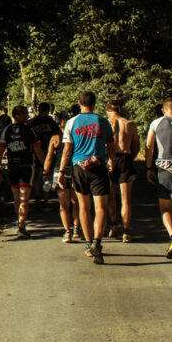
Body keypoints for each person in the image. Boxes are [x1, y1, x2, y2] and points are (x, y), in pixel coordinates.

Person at [59, 91, 115, 264]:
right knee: (101, 208)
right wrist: (111, 161)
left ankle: (89, 243)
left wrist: (61, 171)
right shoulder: (103, 121)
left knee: (83, 207)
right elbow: (111, 145)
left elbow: (67, 150)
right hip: (98, 167)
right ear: (94, 103)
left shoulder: (71, 122)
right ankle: (97, 242)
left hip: (78, 168)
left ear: (79, 102)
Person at [145, 97, 172, 261]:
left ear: (164, 110)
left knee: (165, 207)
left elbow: (149, 147)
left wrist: (149, 168)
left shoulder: (156, 123)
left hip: (164, 167)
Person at [0, 105, 45, 237]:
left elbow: (0, 150)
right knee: (23, 199)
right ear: (17, 115)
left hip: (13, 166)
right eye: (24, 114)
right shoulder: (29, 130)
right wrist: (46, 165)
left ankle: (20, 224)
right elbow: (38, 149)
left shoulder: (7, 130)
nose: (27, 116)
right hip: (25, 166)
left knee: (18, 199)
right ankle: (21, 227)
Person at [105, 100, 140, 242]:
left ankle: (113, 225)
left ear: (108, 110)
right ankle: (126, 231)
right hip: (125, 158)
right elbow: (136, 146)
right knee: (126, 198)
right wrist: (130, 157)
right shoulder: (129, 124)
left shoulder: (106, 123)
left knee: (110, 195)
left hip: (110, 159)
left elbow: (104, 143)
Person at [43, 128, 77, 242]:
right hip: (75, 170)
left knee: (64, 204)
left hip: (59, 171)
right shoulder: (76, 135)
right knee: (76, 202)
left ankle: (67, 231)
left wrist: (45, 172)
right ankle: (77, 228)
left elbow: (49, 156)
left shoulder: (55, 138)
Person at [29, 102, 62, 209]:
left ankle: (37, 196)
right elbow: (58, 135)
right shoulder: (50, 121)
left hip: (35, 151)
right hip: (49, 151)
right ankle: (46, 198)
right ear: (48, 110)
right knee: (48, 174)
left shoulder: (32, 122)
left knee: (37, 173)